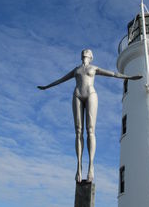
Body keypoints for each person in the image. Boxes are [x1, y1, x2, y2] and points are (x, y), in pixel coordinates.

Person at [37, 49, 142, 183]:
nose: (85, 53)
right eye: (83, 52)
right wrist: (47, 87)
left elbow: (114, 74)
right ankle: (79, 167)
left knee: (90, 130)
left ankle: (91, 166)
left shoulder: (94, 68)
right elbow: (61, 80)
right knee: (78, 130)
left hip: (91, 94)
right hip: (77, 95)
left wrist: (130, 77)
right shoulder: (76, 70)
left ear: (91, 57)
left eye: (87, 52)